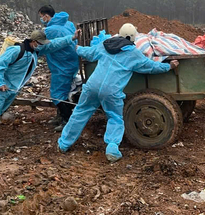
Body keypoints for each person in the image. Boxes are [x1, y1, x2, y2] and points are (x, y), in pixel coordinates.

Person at [57, 23, 179, 162]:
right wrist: (168, 66)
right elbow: (151, 67)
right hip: (111, 91)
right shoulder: (133, 53)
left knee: (80, 113)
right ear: (133, 38)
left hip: (92, 86)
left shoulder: (105, 45)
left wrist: (77, 48)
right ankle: (112, 149)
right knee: (114, 117)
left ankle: (63, 144)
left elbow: (89, 53)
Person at [0, 30, 77, 138]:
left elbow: (54, 44)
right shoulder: (16, 50)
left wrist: (71, 38)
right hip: (4, 86)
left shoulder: (35, 51)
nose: (41, 46)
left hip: (15, 87)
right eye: (40, 44)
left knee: (0, 108)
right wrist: (0, 83)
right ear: (33, 41)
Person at [38, 5, 80, 131]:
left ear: (46, 16)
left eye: (41, 17)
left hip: (61, 65)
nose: (41, 19)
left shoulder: (50, 31)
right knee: (65, 91)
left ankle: (67, 121)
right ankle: (61, 116)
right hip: (71, 62)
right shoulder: (68, 24)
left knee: (57, 94)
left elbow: (45, 47)